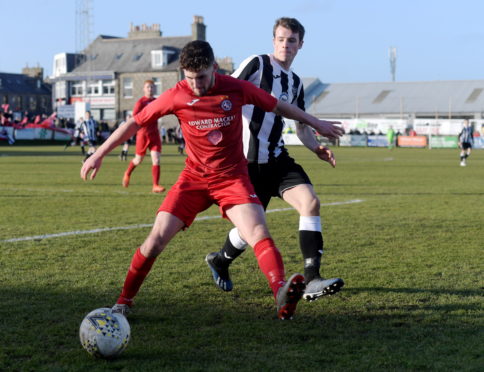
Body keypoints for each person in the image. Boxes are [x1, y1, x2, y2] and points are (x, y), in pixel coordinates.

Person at [81, 40, 344, 320]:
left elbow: (279, 106)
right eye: (190, 78)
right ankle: (124, 301)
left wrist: (316, 123)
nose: (196, 85)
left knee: (257, 231)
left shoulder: (235, 88)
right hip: (193, 179)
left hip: (232, 178)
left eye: (202, 77)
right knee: (155, 240)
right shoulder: (176, 95)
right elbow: (135, 122)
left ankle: (281, 294)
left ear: (214, 68)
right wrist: (98, 154)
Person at [205, 17, 344, 302]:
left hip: (278, 159)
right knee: (248, 231)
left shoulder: (294, 82)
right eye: (280, 39)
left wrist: (315, 147)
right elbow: (227, 90)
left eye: (291, 40)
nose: (285, 45)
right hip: (246, 164)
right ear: (273, 41)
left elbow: (301, 126)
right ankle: (220, 261)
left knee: (311, 202)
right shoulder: (257, 64)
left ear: (300, 45)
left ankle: (312, 278)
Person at [122, 80, 165, 193]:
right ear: (144, 89)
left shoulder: (157, 101)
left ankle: (155, 185)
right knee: (138, 160)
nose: (150, 89)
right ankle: (128, 172)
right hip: (143, 134)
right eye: (148, 87)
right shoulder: (140, 103)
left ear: (154, 89)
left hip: (154, 134)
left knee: (156, 159)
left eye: (152, 87)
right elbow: (134, 118)